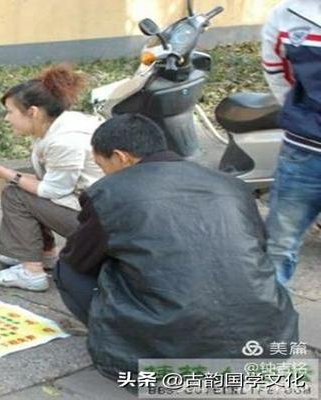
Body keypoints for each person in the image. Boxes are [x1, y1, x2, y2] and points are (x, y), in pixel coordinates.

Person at [56, 114, 298, 380]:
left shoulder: (110, 191)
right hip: (268, 339)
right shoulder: (232, 185)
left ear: (120, 156)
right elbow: (257, 248)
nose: (103, 173)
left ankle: (124, 341)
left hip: (172, 352)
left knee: (66, 269)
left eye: (102, 165)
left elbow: (78, 260)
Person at [0, 64, 103, 292]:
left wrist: (2, 173)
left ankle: (31, 272)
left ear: (33, 112)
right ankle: (43, 257)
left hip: (99, 225)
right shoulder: (61, 124)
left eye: (10, 111)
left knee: (16, 195)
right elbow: (55, 181)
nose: (7, 119)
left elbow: (51, 191)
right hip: (95, 213)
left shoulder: (65, 140)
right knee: (20, 189)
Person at [261, 0, 321, 286]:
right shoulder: (285, 15)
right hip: (304, 151)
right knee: (278, 248)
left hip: (303, 148)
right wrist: (305, 117)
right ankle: (270, 330)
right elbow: (275, 71)